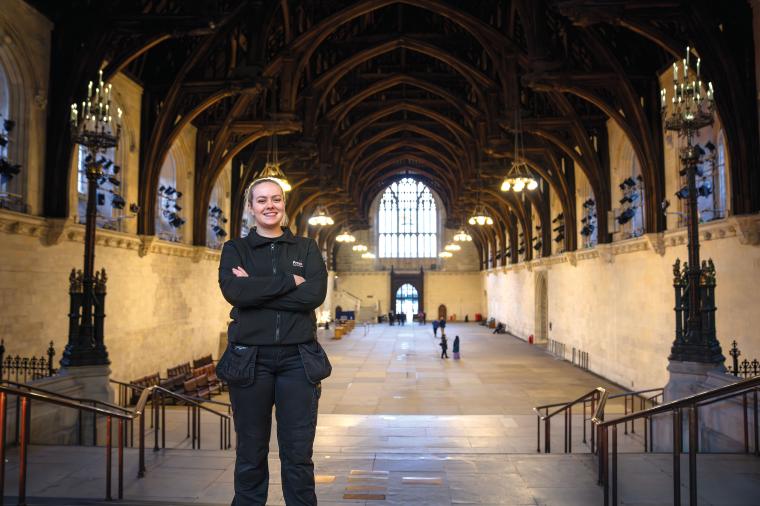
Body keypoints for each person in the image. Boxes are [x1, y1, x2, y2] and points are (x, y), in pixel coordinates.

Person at [218, 177, 329, 506]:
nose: (270, 205)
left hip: (298, 360)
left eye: (276, 199)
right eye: (262, 200)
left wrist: (256, 290)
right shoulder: (235, 249)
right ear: (251, 208)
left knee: (298, 455)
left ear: (284, 205)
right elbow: (234, 292)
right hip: (249, 361)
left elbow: (314, 294)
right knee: (250, 455)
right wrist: (288, 282)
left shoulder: (306, 249)